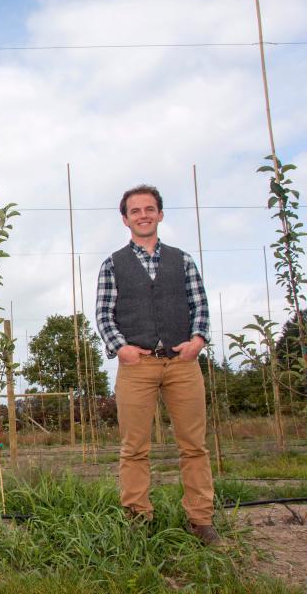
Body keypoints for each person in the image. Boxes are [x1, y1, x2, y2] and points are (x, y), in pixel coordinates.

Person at [95, 184, 220, 546]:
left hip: (182, 364)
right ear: (125, 219)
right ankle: (138, 517)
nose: (143, 215)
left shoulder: (182, 260)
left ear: (160, 215)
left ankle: (200, 520)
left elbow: (201, 306)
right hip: (137, 366)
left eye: (149, 209)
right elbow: (104, 315)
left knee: (194, 445)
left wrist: (198, 341)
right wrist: (123, 350)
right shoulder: (113, 264)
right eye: (135, 211)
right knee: (134, 447)